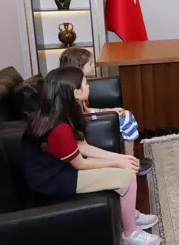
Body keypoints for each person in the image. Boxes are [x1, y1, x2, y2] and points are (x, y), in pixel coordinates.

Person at [22, 67, 161, 245]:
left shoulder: (61, 114)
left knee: (126, 167)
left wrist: (120, 158)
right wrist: (117, 164)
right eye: (85, 83)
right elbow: (80, 164)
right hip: (53, 179)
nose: (89, 86)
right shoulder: (60, 127)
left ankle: (128, 213)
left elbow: (83, 147)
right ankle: (130, 233)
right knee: (126, 176)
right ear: (76, 92)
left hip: (59, 169)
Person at [59, 47, 152, 176]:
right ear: (79, 66)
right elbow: (81, 116)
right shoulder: (74, 90)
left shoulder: (73, 85)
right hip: (87, 120)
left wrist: (109, 111)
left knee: (124, 114)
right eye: (90, 64)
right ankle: (132, 163)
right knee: (127, 119)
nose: (93, 66)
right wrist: (108, 114)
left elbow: (86, 110)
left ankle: (130, 160)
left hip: (88, 115)